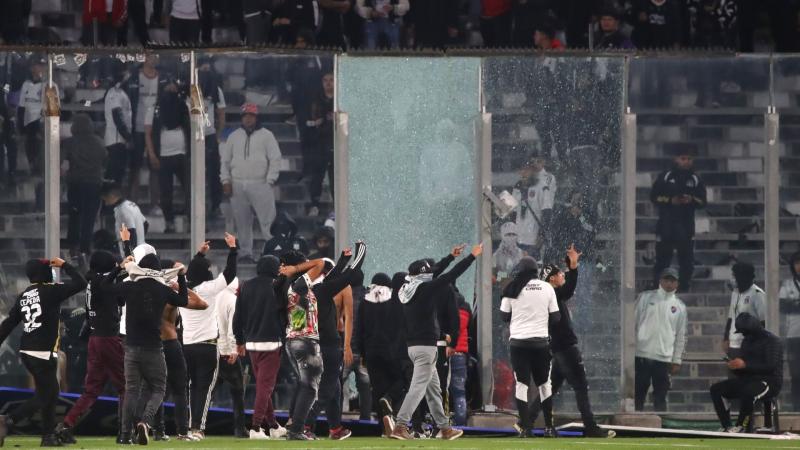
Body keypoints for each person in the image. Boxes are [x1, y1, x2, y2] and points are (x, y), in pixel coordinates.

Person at [389, 243, 482, 441]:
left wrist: (450, 256)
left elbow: (436, 271)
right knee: (418, 388)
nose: (432, 274)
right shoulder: (427, 290)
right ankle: (400, 425)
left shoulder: (408, 288)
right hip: (426, 348)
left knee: (433, 391)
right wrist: (471, 257)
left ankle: (444, 428)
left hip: (414, 347)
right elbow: (449, 275)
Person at [116, 249, 206, 445]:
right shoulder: (164, 290)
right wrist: (181, 279)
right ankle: (149, 423)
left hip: (131, 345)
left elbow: (110, 290)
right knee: (163, 389)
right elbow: (193, 302)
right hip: (158, 345)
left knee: (133, 390)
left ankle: (126, 434)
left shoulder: (130, 286)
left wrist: (120, 268)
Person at [528, 245, 615, 438]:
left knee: (551, 387)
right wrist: (574, 267)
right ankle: (591, 427)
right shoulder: (552, 293)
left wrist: (571, 265)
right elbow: (569, 289)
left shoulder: (547, 295)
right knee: (581, 387)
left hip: (559, 349)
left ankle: (526, 420)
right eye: (560, 273)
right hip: (566, 348)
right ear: (551, 279)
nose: (563, 275)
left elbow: (567, 288)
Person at [0, 257, 88, 447]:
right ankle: (8, 420)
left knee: (49, 392)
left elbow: (9, 323)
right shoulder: (51, 291)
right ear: (43, 272)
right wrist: (64, 265)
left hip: (27, 351)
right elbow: (81, 283)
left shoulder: (24, 295)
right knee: (47, 394)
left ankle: (47, 436)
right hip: (42, 352)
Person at [298, 243, 367, 440]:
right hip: (328, 344)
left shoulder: (303, 288)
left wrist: (343, 260)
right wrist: (362, 249)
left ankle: (335, 429)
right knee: (327, 388)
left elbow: (334, 277)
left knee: (333, 389)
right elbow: (350, 275)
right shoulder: (325, 290)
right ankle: (305, 424)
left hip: (309, 343)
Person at [56, 251, 125, 444]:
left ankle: (67, 424)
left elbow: (118, 299)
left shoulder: (92, 281)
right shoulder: (103, 282)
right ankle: (125, 430)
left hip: (95, 339)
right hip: (109, 338)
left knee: (91, 390)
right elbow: (121, 297)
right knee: (126, 387)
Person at [182, 233, 238, 439]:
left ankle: (188, 427)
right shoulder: (208, 289)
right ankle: (198, 429)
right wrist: (233, 249)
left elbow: (193, 271)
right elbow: (230, 274)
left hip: (187, 346)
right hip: (207, 345)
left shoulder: (183, 290)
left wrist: (198, 255)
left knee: (191, 387)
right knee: (204, 390)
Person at [499, 257, 559, 438]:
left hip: (518, 343)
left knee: (522, 385)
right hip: (540, 342)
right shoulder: (547, 287)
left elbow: (503, 316)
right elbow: (556, 318)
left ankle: (526, 428)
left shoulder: (511, 287)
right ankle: (549, 427)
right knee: (544, 385)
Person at [233, 255, 289, 439]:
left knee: (263, 386)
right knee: (265, 387)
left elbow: (238, 316)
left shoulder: (246, 285)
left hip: (252, 344)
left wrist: (239, 341)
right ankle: (256, 428)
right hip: (272, 343)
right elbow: (284, 315)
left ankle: (273, 426)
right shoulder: (278, 286)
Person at [220, 103, 282, 263]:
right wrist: (225, 180)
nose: (248, 118)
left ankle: (271, 252)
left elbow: (275, 158)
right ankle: (246, 252)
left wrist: (270, 180)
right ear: (242, 117)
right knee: (242, 221)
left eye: (251, 116)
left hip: (260, 183)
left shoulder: (267, 135)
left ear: (256, 117)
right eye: (246, 115)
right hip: (238, 184)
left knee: (268, 220)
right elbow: (225, 161)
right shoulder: (234, 136)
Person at [710, 312, 783, 433]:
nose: (743, 335)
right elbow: (745, 370)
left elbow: (770, 367)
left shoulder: (772, 341)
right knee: (716, 389)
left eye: (744, 332)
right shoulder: (747, 342)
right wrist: (736, 367)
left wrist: (745, 365)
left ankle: (741, 426)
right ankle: (727, 426)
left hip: (769, 382)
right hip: (749, 380)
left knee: (749, 392)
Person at [650, 150, 707, 292]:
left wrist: (691, 200)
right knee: (662, 261)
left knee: (687, 262)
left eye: (689, 158)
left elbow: (703, 202)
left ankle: (683, 288)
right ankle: (658, 288)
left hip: (686, 227)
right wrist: (670, 200)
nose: (686, 161)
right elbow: (654, 197)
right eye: (683, 158)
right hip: (666, 226)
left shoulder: (695, 179)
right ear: (676, 159)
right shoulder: (666, 176)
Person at [358, 273, 406, 436]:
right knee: (402, 380)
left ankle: (384, 426)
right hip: (391, 350)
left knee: (377, 388)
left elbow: (360, 329)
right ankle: (390, 398)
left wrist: (362, 353)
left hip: (371, 351)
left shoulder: (365, 301)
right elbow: (400, 325)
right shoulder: (394, 300)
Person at [634, 267, 687, 411]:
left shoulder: (680, 307)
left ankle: (662, 428)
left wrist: (676, 360)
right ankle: (635, 426)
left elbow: (681, 335)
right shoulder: (645, 297)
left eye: (672, 280)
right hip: (642, 355)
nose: (669, 283)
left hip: (664, 358)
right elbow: (633, 323)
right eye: (666, 280)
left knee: (660, 397)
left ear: (677, 283)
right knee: (638, 395)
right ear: (660, 280)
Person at [146, 75, 190, 234]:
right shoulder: (154, 108)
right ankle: (169, 222)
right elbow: (148, 133)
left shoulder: (183, 106)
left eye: (174, 88)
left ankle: (193, 221)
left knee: (190, 189)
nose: (171, 91)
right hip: (162, 156)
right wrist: (152, 154)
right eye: (168, 88)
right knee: (166, 192)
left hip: (182, 154)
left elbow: (190, 129)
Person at [63, 113, 107, 257]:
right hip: (93, 184)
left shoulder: (69, 143)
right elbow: (105, 159)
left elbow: (61, 161)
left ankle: (73, 246)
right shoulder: (99, 142)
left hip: (75, 183)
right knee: (89, 217)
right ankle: (85, 247)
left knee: (74, 216)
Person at [214, 277, 248, 438]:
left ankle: (196, 426)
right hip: (227, 352)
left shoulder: (213, 297)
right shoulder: (233, 300)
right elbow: (233, 328)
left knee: (206, 392)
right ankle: (240, 428)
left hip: (213, 350)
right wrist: (234, 349)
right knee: (238, 392)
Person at [127, 53, 160, 207]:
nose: (154, 59)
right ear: (145, 58)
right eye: (151, 56)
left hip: (156, 128)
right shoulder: (134, 77)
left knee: (156, 167)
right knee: (135, 167)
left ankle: (155, 204)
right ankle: (133, 203)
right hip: (137, 127)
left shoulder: (163, 78)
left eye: (156, 56)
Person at [197, 58, 227, 219]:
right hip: (193, 138)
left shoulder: (216, 90)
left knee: (214, 173)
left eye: (208, 71)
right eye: (203, 70)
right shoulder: (191, 89)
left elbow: (221, 114)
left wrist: (218, 135)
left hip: (209, 136)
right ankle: (196, 208)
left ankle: (215, 205)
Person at [512, 158, 557, 260]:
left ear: (533, 171)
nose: (523, 172)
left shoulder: (541, 186)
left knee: (533, 270)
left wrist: (541, 236)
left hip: (534, 240)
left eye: (526, 170)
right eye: (521, 170)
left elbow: (547, 212)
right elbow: (513, 212)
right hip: (518, 238)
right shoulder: (517, 187)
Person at [341, 270, 372, 421]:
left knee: (337, 385)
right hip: (363, 352)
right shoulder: (369, 296)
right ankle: (365, 419)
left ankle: (335, 419)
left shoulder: (342, 295)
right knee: (365, 388)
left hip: (345, 349)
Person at [724, 262, 766, 365]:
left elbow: (764, 322)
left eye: (734, 275)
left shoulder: (757, 294)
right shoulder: (735, 293)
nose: (732, 278)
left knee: (747, 379)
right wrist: (725, 338)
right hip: (733, 345)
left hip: (749, 346)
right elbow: (731, 317)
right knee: (733, 379)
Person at [306, 73, 335, 217]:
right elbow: (313, 120)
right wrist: (321, 120)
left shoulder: (341, 97)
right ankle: (314, 205)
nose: (328, 83)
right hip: (320, 142)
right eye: (325, 80)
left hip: (336, 142)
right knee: (317, 175)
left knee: (335, 176)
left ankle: (337, 205)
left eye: (331, 80)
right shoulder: (317, 99)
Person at [103, 60, 134, 188]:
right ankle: (107, 206)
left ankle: (112, 204)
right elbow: (117, 117)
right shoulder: (114, 93)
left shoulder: (121, 92)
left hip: (120, 141)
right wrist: (128, 137)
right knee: (114, 177)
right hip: (116, 141)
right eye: (127, 73)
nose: (129, 76)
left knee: (118, 176)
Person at [101, 183, 147, 254]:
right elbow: (145, 223)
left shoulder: (123, 210)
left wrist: (130, 255)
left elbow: (131, 232)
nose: (106, 203)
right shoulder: (131, 204)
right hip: (140, 248)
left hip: (132, 254)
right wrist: (141, 239)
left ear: (111, 196)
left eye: (106, 200)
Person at [779, 251, 800, 409]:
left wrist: (795, 304)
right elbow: (784, 306)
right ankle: (797, 407)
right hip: (794, 335)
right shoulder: (787, 284)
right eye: (797, 262)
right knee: (796, 374)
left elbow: (791, 305)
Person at [449, 287, 471, 426]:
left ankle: (441, 423)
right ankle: (461, 423)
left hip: (445, 352)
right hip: (460, 353)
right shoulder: (466, 309)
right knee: (459, 391)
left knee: (439, 390)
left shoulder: (445, 309)